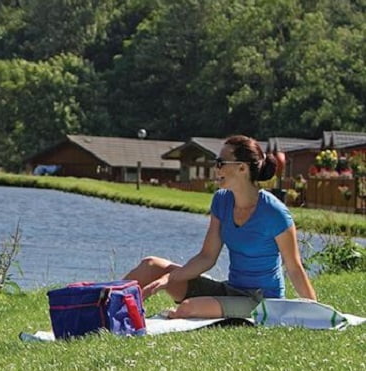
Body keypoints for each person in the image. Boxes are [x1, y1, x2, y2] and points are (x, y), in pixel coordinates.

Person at [123, 134, 316, 319]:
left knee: (188, 308)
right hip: (229, 290)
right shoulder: (222, 201)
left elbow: (294, 267)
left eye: (221, 163)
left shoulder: (275, 213)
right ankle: (103, 302)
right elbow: (207, 257)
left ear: (242, 168)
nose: (217, 169)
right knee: (151, 265)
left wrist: (317, 313)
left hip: (260, 301)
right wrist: (169, 278)